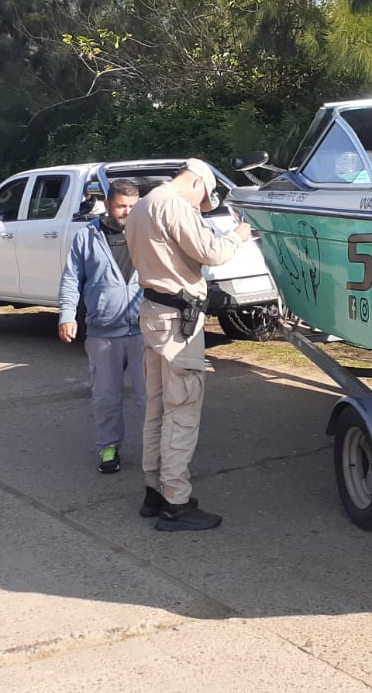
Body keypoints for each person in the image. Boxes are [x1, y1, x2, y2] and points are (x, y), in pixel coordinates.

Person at [124, 159, 253, 531]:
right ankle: (176, 503)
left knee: (157, 409)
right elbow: (211, 253)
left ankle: (154, 491)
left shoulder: (143, 205)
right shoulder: (174, 205)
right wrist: (239, 235)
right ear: (197, 182)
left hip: (153, 315)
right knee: (182, 411)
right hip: (178, 324)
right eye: (203, 198)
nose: (201, 205)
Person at [57, 180, 145, 475]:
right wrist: (67, 315)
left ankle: (156, 450)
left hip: (143, 330)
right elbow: (71, 278)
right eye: (121, 206)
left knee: (150, 397)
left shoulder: (146, 234)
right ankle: (108, 447)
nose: (127, 212)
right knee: (106, 396)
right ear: (107, 205)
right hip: (103, 331)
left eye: (133, 207)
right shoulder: (87, 237)